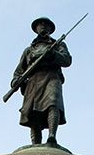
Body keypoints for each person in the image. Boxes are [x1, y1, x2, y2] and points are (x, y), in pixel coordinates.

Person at [11, 17, 72, 146]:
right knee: (34, 113)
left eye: (46, 25)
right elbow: (19, 71)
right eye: (40, 25)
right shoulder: (29, 50)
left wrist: (53, 55)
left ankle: (52, 136)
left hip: (52, 77)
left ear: (50, 29)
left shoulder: (58, 45)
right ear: (36, 29)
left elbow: (67, 60)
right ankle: (35, 143)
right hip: (33, 82)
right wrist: (16, 81)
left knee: (53, 103)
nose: (43, 26)